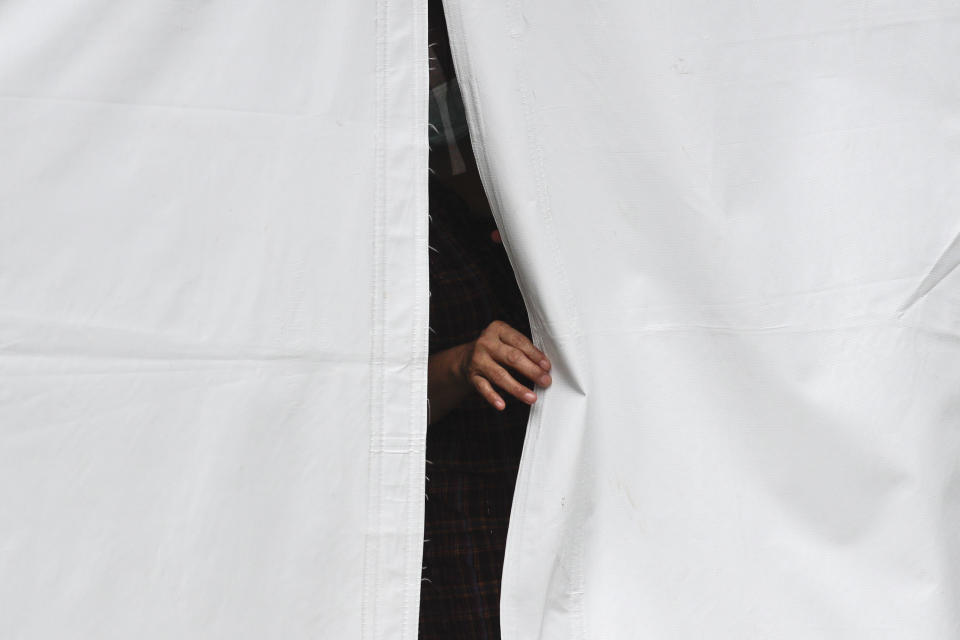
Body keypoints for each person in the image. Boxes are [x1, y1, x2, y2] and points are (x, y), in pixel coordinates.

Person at [419, 2, 553, 638]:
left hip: (544, 531)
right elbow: (342, 401)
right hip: (450, 548)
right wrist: (462, 363)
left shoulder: (538, 201)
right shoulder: (393, 218)